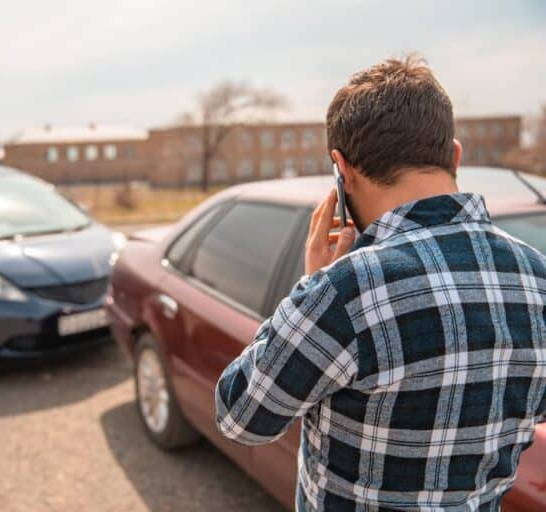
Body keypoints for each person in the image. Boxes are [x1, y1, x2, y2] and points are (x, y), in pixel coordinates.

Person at [215, 55, 546, 511]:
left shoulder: (345, 291)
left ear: (341, 170)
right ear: (454, 155)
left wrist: (310, 286)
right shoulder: (538, 280)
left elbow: (240, 417)